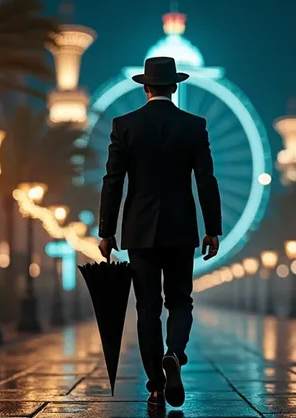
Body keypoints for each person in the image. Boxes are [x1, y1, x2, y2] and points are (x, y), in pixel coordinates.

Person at [98, 57, 222, 409]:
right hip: (181, 228)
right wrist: (213, 229)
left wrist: (106, 231)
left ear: (145, 87)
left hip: (139, 230)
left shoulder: (124, 125)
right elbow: (205, 180)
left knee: (147, 308)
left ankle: (155, 384)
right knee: (180, 300)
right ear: (175, 87)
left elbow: (113, 181)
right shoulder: (194, 126)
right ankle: (175, 353)